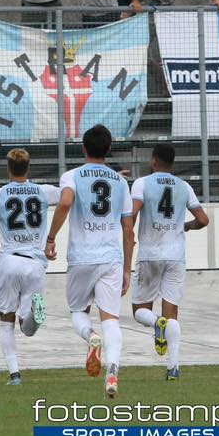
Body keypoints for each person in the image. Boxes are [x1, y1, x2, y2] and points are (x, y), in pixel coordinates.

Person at [45, 124, 134, 399]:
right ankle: (113, 371)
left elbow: (65, 203)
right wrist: (128, 269)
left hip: (82, 257)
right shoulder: (120, 182)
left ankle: (90, 337)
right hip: (111, 258)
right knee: (112, 320)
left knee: (78, 313)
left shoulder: (71, 175)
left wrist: (50, 238)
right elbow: (129, 229)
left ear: (83, 148)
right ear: (108, 149)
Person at [0, 147, 61, 386]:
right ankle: (33, 317)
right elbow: (70, 196)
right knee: (27, 328)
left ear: (8, 169)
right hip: (35, 264)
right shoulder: (44, 192)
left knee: (6, 322)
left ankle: (15, 374)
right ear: (28, 168)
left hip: (8, 261)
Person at [130, 144, 209, 380]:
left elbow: (133, 213)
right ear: (172, 164)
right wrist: (186, 226)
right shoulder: (184, 186)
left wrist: (129, 235)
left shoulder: (142, 183)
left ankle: (156, 323)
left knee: (139, 311)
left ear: (154, 160)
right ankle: (173, 367)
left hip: (150, 253)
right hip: (175, 256)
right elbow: (203, 219)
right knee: (172, 312)